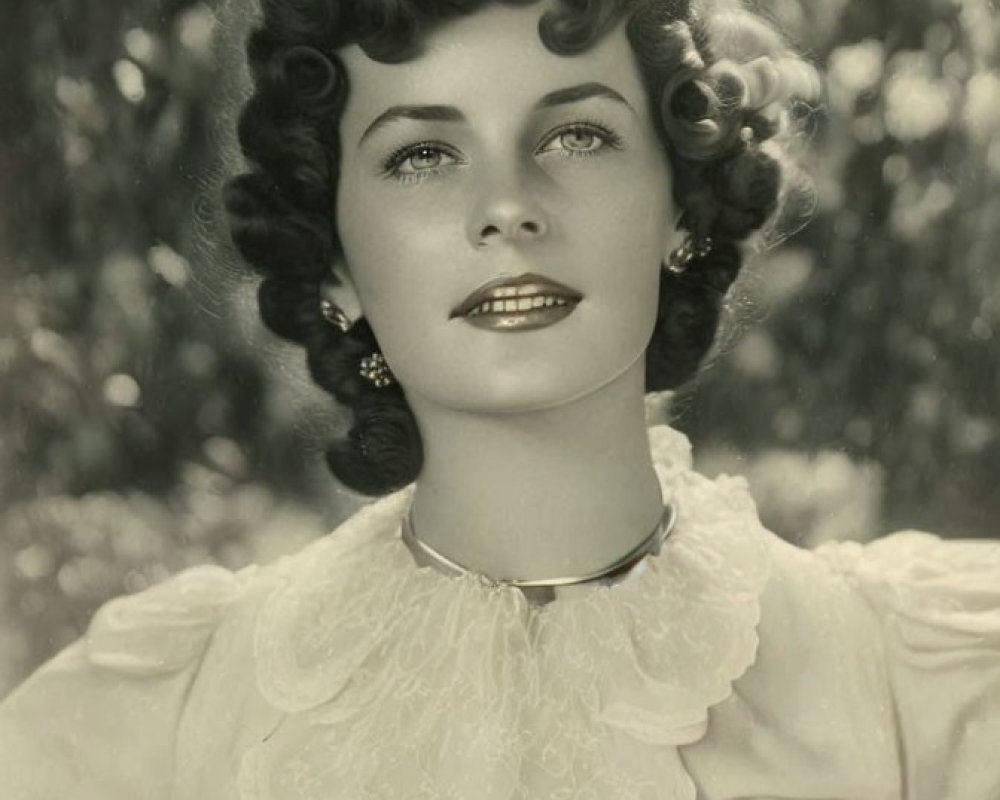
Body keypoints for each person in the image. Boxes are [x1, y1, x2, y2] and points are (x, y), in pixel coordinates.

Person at [1, 0, 998, 797]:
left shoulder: (925, 690)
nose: (506, 205)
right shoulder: (160, 723)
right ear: (336, 264)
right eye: (422, 154)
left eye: (574, 134)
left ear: (681, 213)